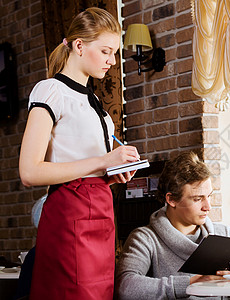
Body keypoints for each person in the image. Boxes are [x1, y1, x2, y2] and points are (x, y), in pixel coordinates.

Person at [19, 7, 140, 300]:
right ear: (79, 45)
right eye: (106, 51)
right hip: (69, 216)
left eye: (114, 53)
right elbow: (30, 172)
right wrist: (103, 161)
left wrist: (114, 171)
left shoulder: (94, 101)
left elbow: (89, 167)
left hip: (100, 210)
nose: (112, 61)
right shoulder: (51, 91)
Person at [115, 152, 230, 300]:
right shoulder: (145, 239)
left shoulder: (223, 233)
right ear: (171, 200)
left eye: (209, 196)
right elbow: (125, 287)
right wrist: (190, 283)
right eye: (198, 199)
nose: (208, 207)